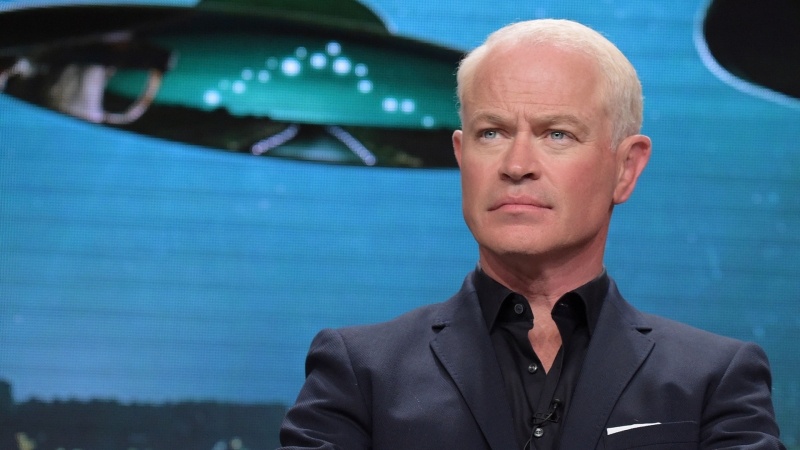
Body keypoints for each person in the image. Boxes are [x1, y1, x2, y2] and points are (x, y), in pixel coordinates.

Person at [278, 19, 784, 449]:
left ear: (626, 169)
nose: (516, 164)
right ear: (462, 157)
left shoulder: (714, 380)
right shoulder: (360, 374)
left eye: (557, 134)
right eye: (491, 133)